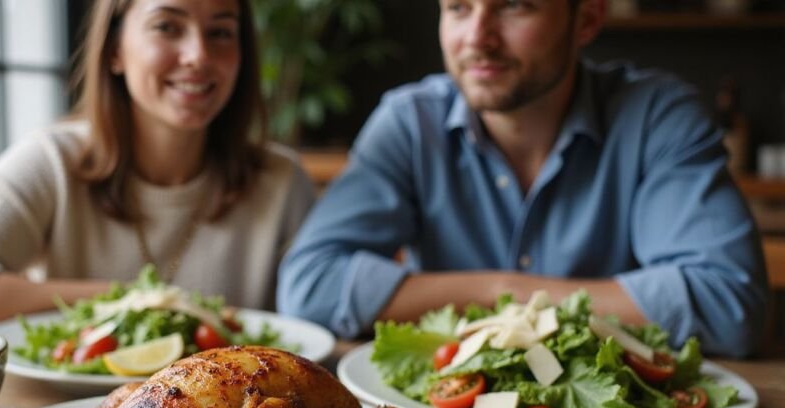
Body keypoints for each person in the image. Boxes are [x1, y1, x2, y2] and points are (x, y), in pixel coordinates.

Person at [277, 0, 768, 357]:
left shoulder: (656, 117)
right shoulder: (409, 123)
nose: (477, 37)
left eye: (513, 7)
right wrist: (499, 291)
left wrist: (496, 294)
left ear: (588, 18)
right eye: (459, 8)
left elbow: (727, 304)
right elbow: (309, 285)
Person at [0, 0, 314, 324]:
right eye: (167, 26)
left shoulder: (281, 180)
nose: (198, 55)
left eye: (221, 32)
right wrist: (137, 301)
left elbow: (314, 326)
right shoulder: (52, 160)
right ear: (115, 50)